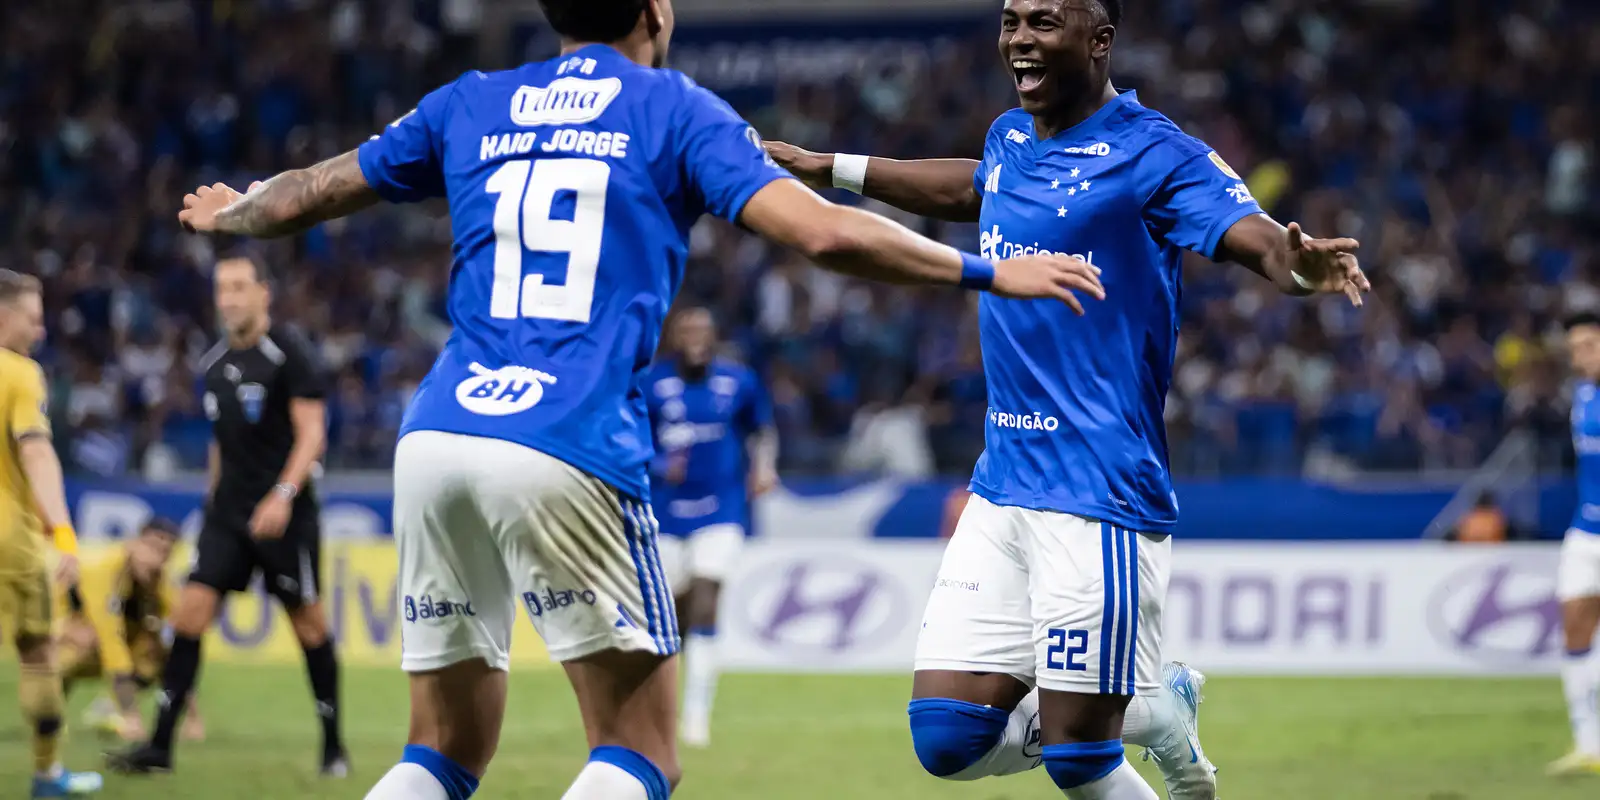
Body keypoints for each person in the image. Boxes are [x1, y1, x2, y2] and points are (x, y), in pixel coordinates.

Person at [164, 0, 1102, 796]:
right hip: (565, 435)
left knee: (440, 750)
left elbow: (312, 190)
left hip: (440, 433)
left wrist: (236, 210)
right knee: (640, 748)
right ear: (657, 12)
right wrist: (988, 270)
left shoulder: (471, 99)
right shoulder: (674, 109)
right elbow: (822, 234)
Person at [765, 1, 1368, 798]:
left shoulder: (1156, 152)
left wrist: (1298, 269)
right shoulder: (1010, 137)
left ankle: (1151, 712)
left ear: (1100, 40)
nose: (1020, 38)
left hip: (1096, 492)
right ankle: (1152, 708)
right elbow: (973, 187)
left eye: (1044, 22)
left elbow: (1250, 233)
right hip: (1002, 483)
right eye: (1011, 20)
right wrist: (829, 167)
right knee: (947, 738)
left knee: (1080, 760)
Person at [108, 255, 348, 777]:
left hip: (285, 515)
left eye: (240, 287)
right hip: (229, 516)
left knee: (309, 626)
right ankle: (159, 748)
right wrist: (211, 503)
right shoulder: (214, 363)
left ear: (264, 293)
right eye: (222, 289)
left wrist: (282, 495)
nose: (230, 299)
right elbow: (223, 443)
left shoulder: (290, 353)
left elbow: (312, 435)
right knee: (188, 615)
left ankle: (333, 749)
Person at [643, 306, 777, 747]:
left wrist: (764, 467)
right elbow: (629, 439)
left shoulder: (738, 381)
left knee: (706, 601)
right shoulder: (652, 384)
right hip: (665, 515)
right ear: (673, 337)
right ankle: (662, 708)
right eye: (687, 331)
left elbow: (761, 429)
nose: (696, 338)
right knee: (671, 616)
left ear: (714, 335)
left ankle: (696, 715)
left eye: (703, 330)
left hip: (722, 510)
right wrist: (659, 465)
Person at [0, 269, 104, 798]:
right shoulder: (20, 373)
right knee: (39, 653)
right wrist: (63, 532)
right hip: (9, 541)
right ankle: (46, 775)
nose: (40, 331)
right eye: (33, 319)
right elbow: (36, 451)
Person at [55, 517, 204, 743]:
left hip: (112, 644)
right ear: (134, 542)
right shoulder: (105, 569)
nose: (155, 558)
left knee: (156, 648)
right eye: (152, 547)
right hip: (59, 636)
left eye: (165, 553)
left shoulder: (160, 581)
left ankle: (109, 707)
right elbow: (109, 639)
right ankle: (49, 712)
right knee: (87, 640)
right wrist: (132, 717)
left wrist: (193, 717)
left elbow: (178, 641)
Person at [1550, 311, 1600, 777]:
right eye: (1574, 349)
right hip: (1585, 531)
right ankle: (1589, 746)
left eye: (1588, 345)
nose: (1580, 356)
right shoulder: (1582, 396)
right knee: (1575, 633)